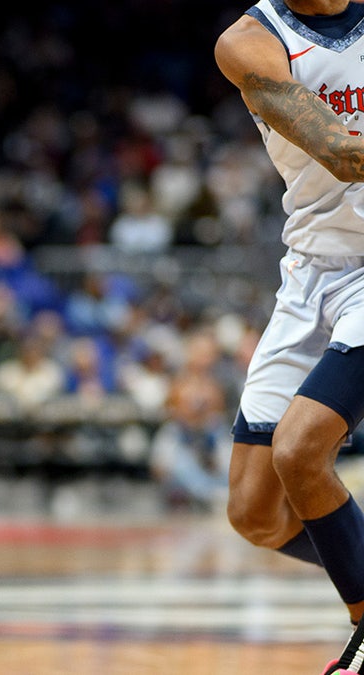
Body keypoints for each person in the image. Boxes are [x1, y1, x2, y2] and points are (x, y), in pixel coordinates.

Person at [214, 2, 364, 673]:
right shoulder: (248, 41)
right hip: (309, 274)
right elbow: (336, 147)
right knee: (253, 510)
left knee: (300, 448)